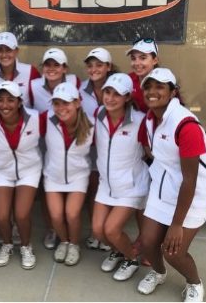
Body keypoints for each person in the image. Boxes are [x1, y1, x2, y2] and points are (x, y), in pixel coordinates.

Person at [136, 68, 206, 302]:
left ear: (173, 92)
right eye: (148, 87)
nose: (152, 92)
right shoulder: (151, 119)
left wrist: (176, 224)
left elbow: (189, 180)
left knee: (173, 252)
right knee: (149, 242)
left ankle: (194, 283)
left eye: (160, 87)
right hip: (164, 188)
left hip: (193, 193)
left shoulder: (186, 125)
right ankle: (158, 273)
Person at [92, 73, 150, 282]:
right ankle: (118, 251)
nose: (110, 98)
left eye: (117, 94)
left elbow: (151, 151)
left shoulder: (140, 121)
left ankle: (131, 258)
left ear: (127, 97)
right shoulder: (98, 115)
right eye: (107, 92)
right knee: (98, 232)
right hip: (106, 184)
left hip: (132, 186)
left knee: (112, 229)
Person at [0, 81, 42, 270]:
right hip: (2, 170)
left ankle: (26, 246)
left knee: (21, 214)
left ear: (19, 102)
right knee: (1, 216)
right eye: (0, 100)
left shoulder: (35, 118)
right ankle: (7, 244)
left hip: (29, 170)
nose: (5, 105)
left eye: (10, 100)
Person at [29, 47, 81, 250]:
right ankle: (53, 229)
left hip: (65, 142)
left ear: (65, 68)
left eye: (56, 65)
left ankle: (68, 230)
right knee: (46, 190)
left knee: (66, 187)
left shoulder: (74, 83)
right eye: (48, 65)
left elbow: (80, 111)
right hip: (41, 142)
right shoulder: (33, 85)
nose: (51, 69)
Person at [42, 83, 94, 266]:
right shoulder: (46, 120)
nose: (61, 108)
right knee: (56, 216)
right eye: (56, 103)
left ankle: (74, 245)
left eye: (66, 103)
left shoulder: (91, 126)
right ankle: (64, 241)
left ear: (78, 103)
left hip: (78, 176)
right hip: (53, 176)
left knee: (72, 214)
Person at [125, 37, 160, 265]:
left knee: (155, 201)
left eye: (144, 58)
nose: (138, 63)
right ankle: (143, 239)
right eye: (135, 58)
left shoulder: (162, 81)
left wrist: (154, 149)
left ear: (155, 60)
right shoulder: (128, 81)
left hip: (159, 150)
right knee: (141, 198)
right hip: (136, 149)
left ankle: (152, 245)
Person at [80, 47, 117, 252]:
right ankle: (97, 233)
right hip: (89, 149)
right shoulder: (79, 90)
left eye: (99, 65)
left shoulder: (117, 89)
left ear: (108, 67)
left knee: (109, 187)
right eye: (90, 65)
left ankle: (105, 233)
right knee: (94, 189)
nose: (94, 69)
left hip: (112, 148)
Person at [0, 31, 41, 107]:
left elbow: (39, 101)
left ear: (16, 51)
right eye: (0, 50)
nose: (4, 55)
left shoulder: (31, 71)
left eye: (8, 50)